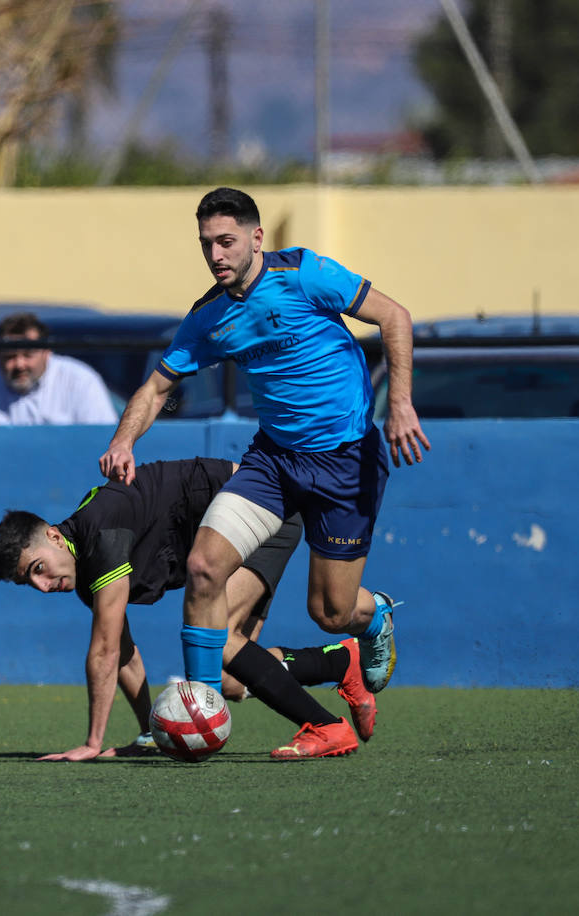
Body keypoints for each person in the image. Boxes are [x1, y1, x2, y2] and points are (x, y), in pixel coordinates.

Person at [99, 187, 430, 758]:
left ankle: (373, 617)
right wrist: (124, 439)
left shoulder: (304, 273)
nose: (216, 255)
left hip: (346, 461)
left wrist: (398, 404)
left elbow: (394, 317)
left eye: (226, 241)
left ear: (256, 238)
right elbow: (155, 388)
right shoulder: (209, 316)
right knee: (203, 567)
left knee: (331, 613)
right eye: (206, 244)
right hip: (273, 462)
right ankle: (202, 709)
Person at [0, 457, 377, 761]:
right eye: (29, 583)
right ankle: (338, 662)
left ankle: (326, 726)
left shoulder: (100, 532)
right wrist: (149, 733)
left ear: (54, 537)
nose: (42, 586)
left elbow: (105, 652)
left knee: (219, 639)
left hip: (263, 510)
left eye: (37, 569)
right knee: (228, 681)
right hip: (244, 531)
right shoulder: (86, 569)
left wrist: (93, 743)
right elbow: (123, 654)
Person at [0, 311, 118, 425]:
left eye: (28, 355)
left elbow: (102, 443)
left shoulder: (80, 382)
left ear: (47, 352)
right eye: (9, 356)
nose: (19, 364)